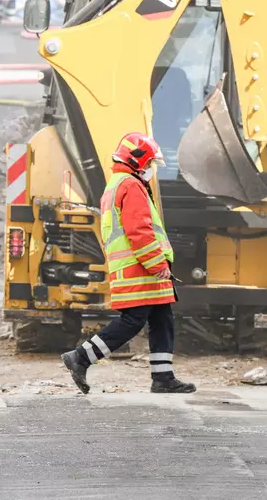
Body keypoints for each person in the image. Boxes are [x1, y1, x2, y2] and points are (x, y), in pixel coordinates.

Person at [61, 132, 196, 394]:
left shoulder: (117, 184)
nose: (150, 170)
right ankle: (80, 357)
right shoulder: (131, 186)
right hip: (142, 270)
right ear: (137, 161)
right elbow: (140, 231)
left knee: (162, 318)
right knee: (132, 321)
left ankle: (163, 378)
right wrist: (158, 264)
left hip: (138, 269)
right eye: (149, 164)